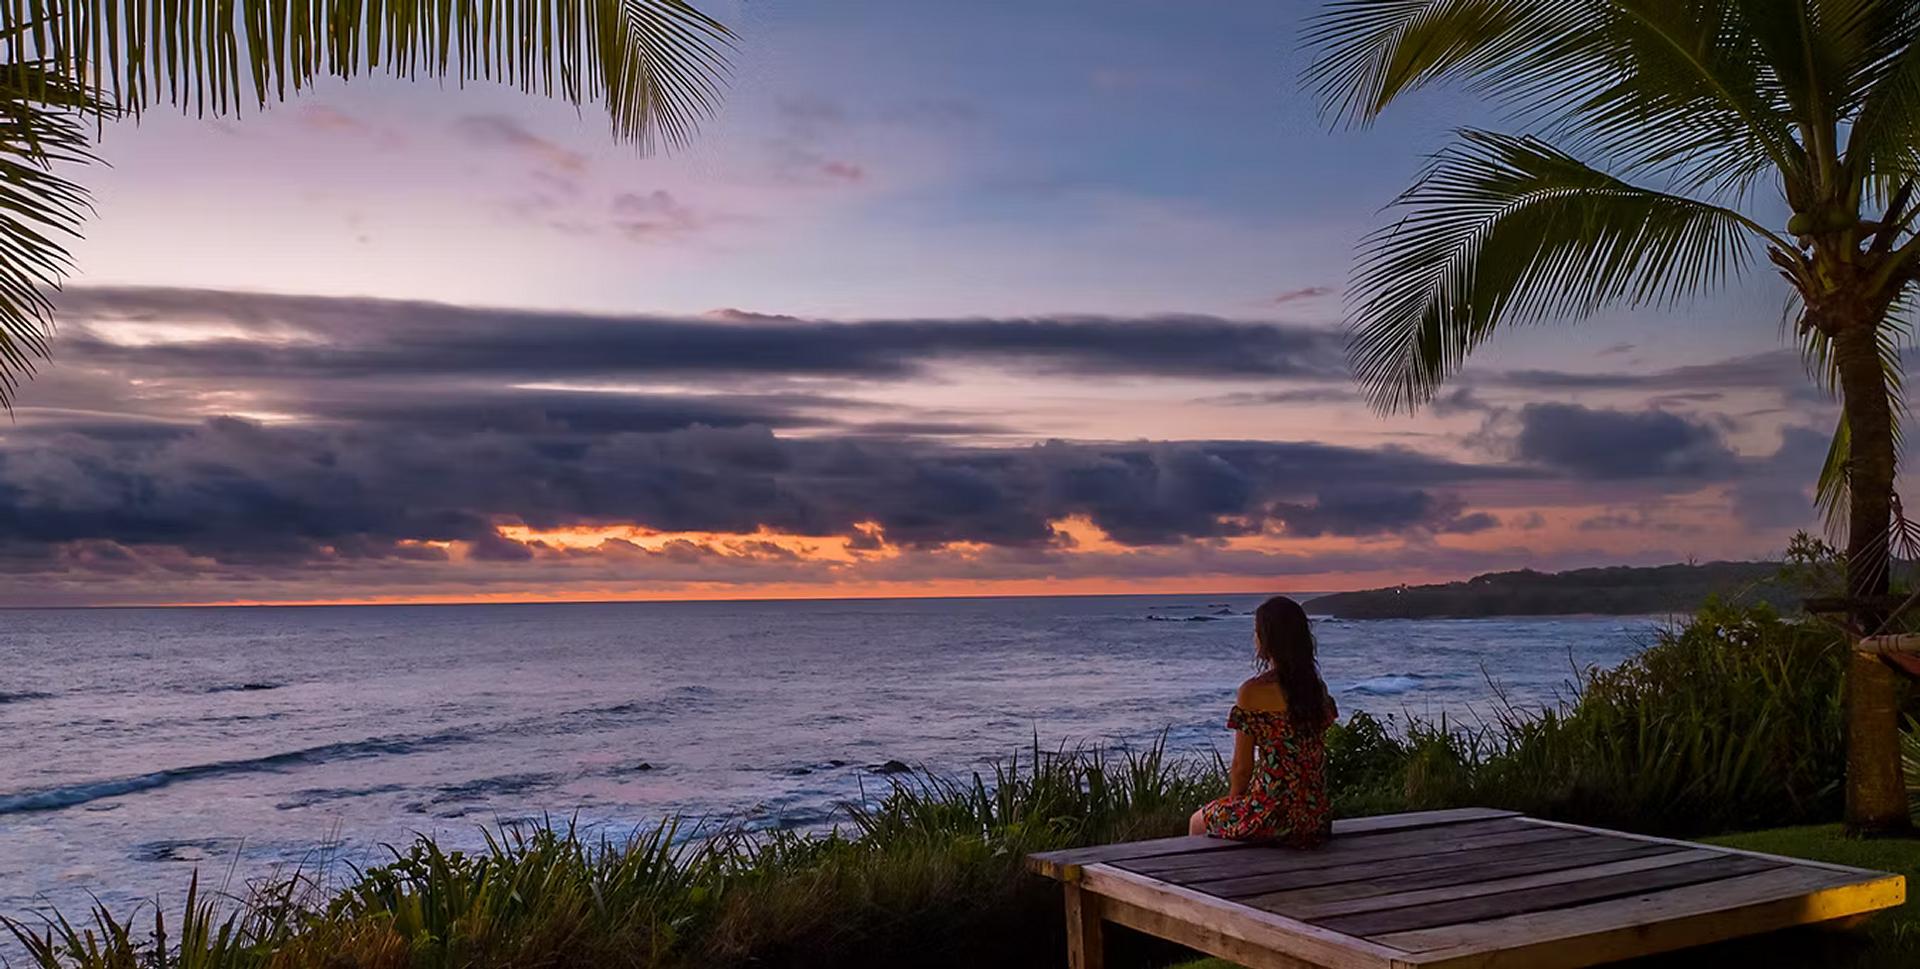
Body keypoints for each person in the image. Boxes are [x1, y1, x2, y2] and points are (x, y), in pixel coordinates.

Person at [1187, 595, 1337, 847]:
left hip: (1273, 816)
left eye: (1257, 632)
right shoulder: (1317, 689)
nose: (1254, 638)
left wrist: (1234, 806)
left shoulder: (1252, 692)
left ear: (1267, 640)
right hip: (1314, 816)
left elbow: (1242, 767)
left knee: (1197, 821)